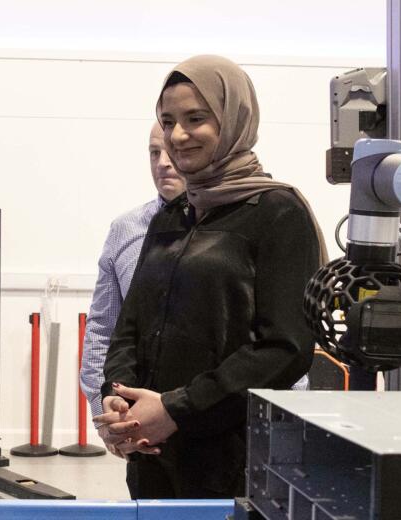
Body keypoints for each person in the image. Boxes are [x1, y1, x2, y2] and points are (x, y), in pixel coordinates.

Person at [96, 55, 326, 498]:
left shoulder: (278, 213)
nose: (178, 135)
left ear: (234, 118)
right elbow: (131, 325)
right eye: (168, 121)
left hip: (234, 459)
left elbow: (284, 349)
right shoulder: (171, 216)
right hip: (152, 454)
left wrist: (177, 408)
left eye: (195, 119)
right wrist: (119, 397)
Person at [79, 122, 185, 494]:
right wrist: (104, 413)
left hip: (218, 432)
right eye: (155, 152)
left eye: (172, 151)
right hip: (143, 435)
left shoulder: (243, 228)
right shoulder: (126, 230)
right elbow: (102, 329)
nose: (163, 163)